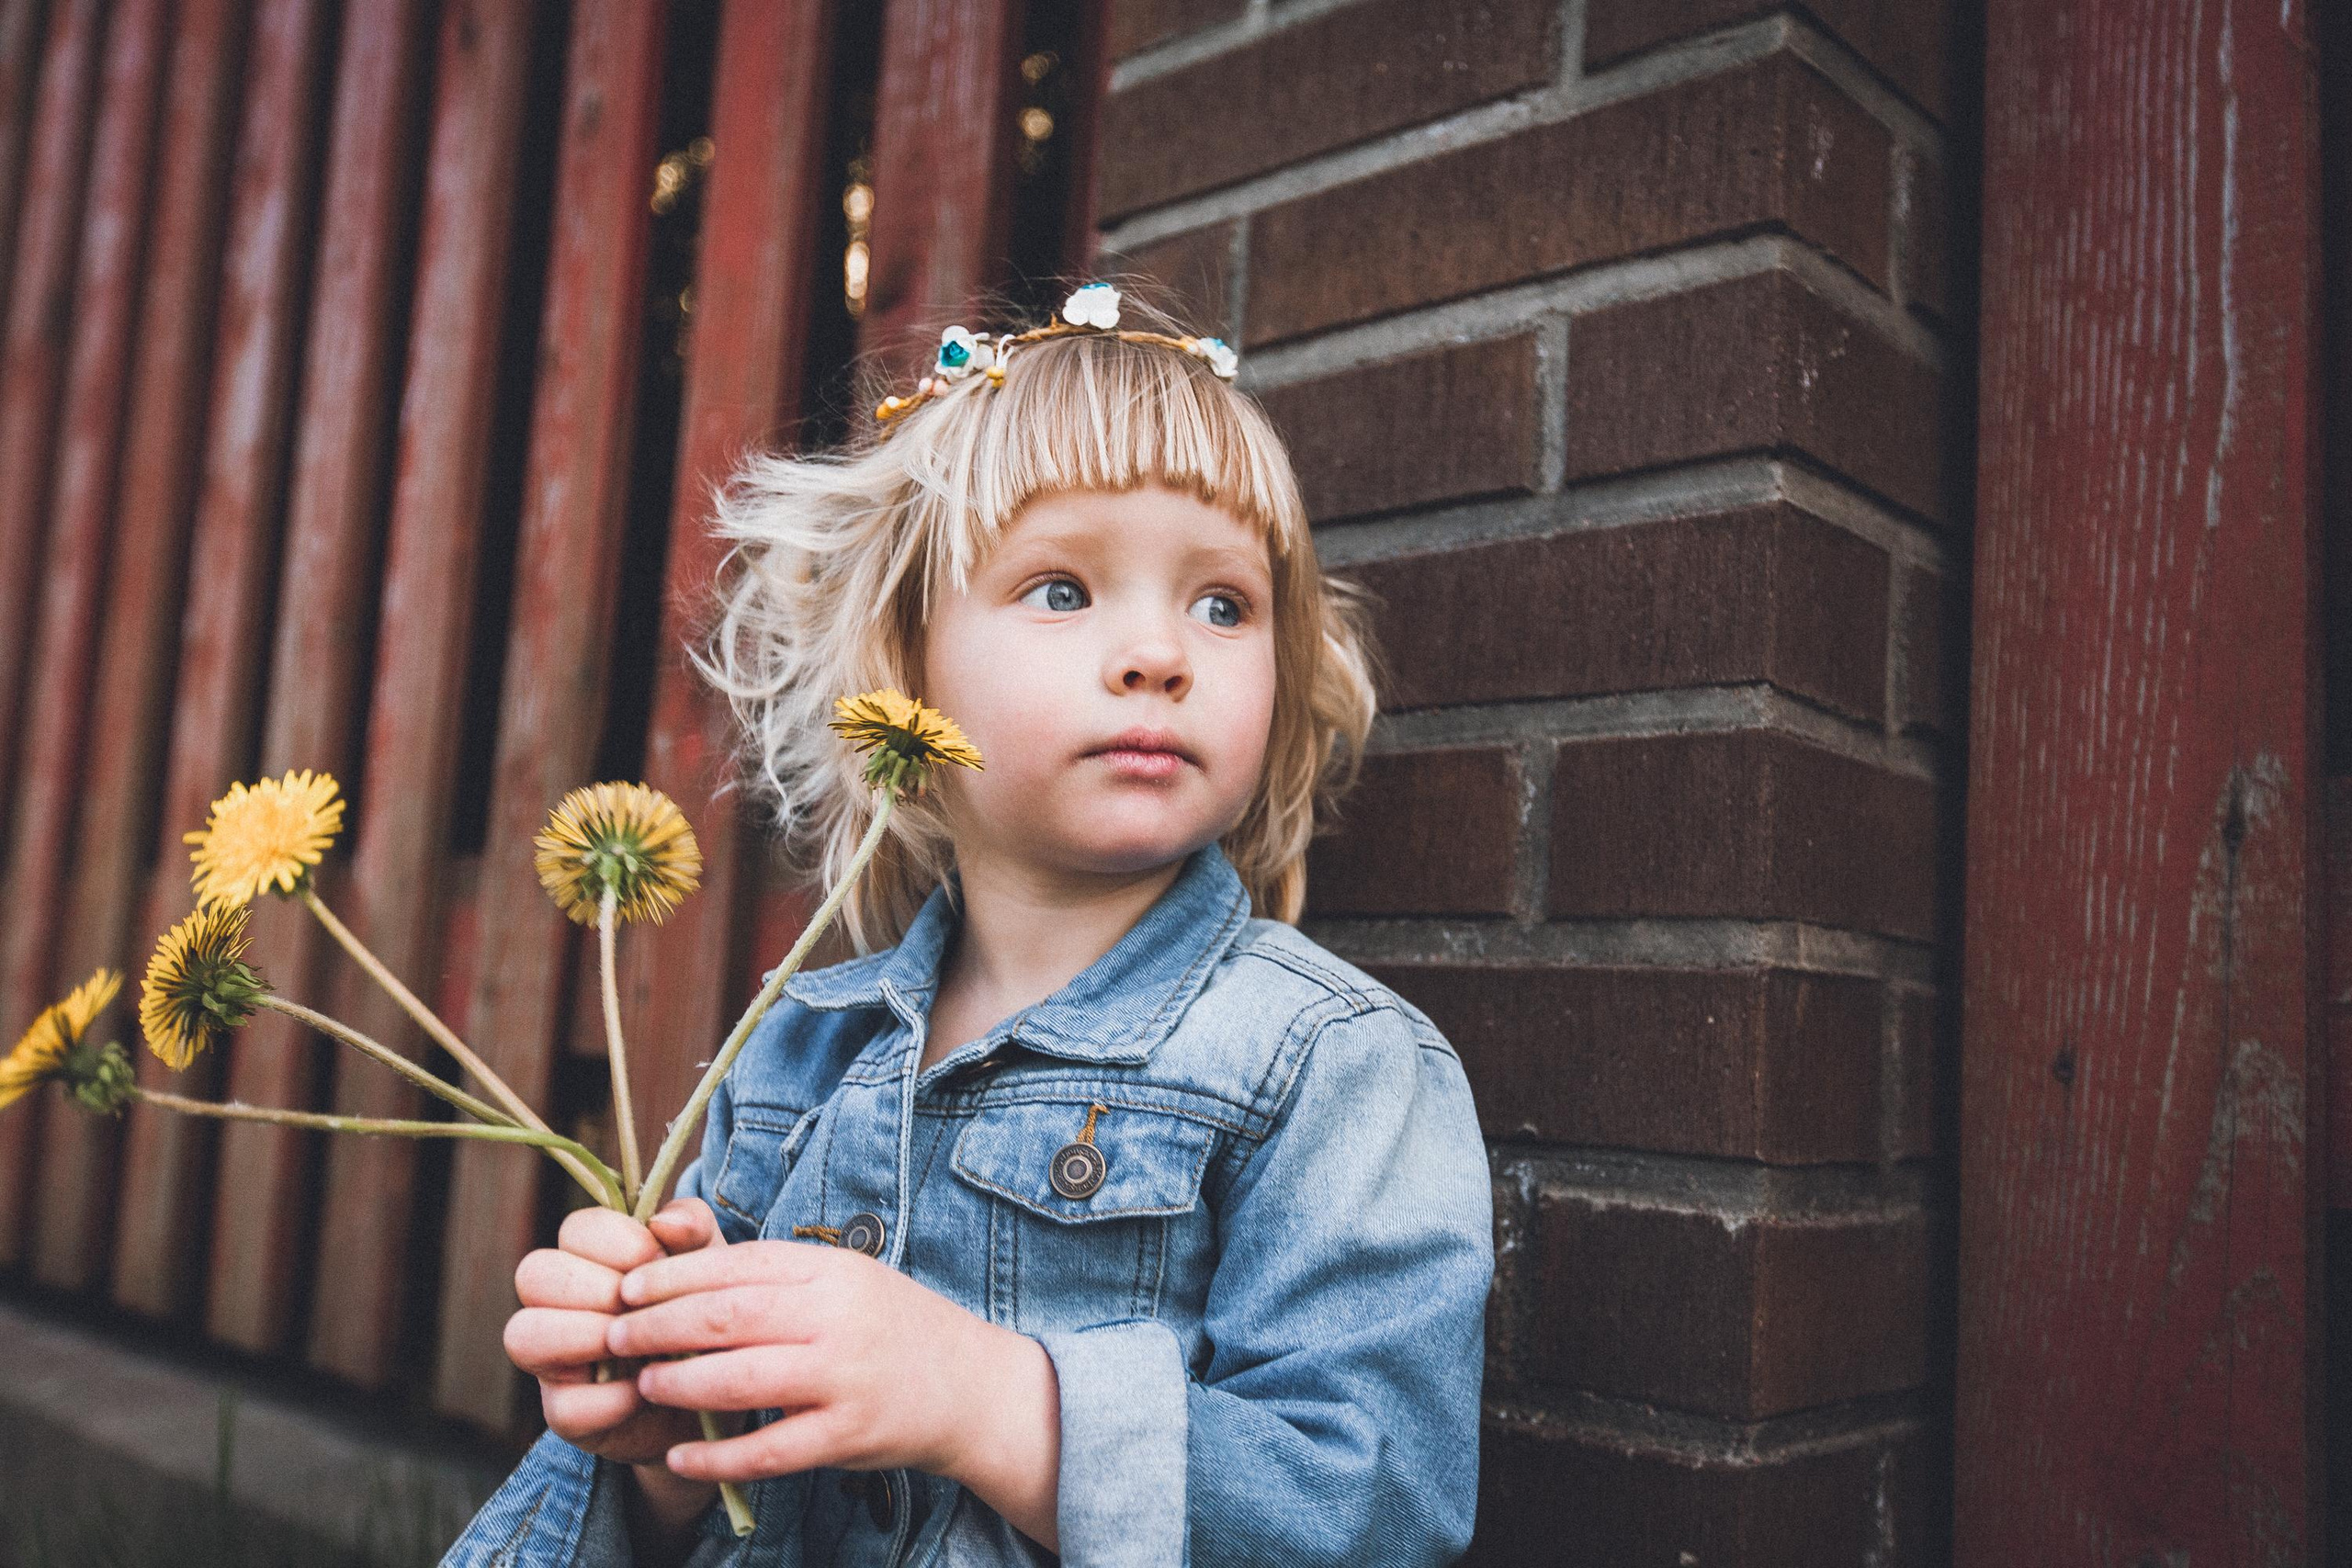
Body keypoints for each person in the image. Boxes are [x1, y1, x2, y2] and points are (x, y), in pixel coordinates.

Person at [439, 283, 1494, 1567]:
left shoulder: (1332, 1063)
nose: (1159, 651)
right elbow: (713, 1507)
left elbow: (1375, 1511)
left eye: (1224, 603)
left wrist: (990, 1402)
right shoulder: (793, 1053)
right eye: (1062, 589)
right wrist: (658, 1453)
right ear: (904, 658)